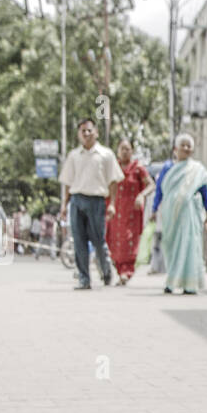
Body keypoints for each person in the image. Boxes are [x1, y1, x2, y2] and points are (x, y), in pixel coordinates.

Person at [59, 118, 123, 290]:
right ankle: (84, 278)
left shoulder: (106, 155)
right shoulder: (73, 156)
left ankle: (106, 270)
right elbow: (67, 182)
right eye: (83, 131)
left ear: (96, 132)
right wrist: (64, 205)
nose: (86, 134)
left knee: (98, 240)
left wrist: (112, 204)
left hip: (96, 200)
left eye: (89, 130)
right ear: (79, 135)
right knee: (79, 241)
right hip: (77, 200)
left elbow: (114, 181)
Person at [150, 132, 207, 295]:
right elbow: (159, 190)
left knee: (189, 245)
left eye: (188, 146)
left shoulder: (197, 170)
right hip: (170, 214)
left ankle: (189, 284)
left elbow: (204, 191)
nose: (185, 148)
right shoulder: (168, 168)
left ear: (192, 150)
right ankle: (172, 280)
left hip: (190, 213)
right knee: (171, 246)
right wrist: (154, 209)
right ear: (175, 149)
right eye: (182, 145)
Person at [106, 138, 152, 285]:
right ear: (117, 151)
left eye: (128, 149)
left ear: (132, 151)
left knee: (129, 241)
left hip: (132, 211)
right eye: (122, 149)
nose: (125, 152)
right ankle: (120, 271)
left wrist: (141, 195)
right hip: (115, 210)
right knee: (114, 240)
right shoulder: (113, 167)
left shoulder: (138, 168)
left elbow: (151, 185)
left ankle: (127, 272)